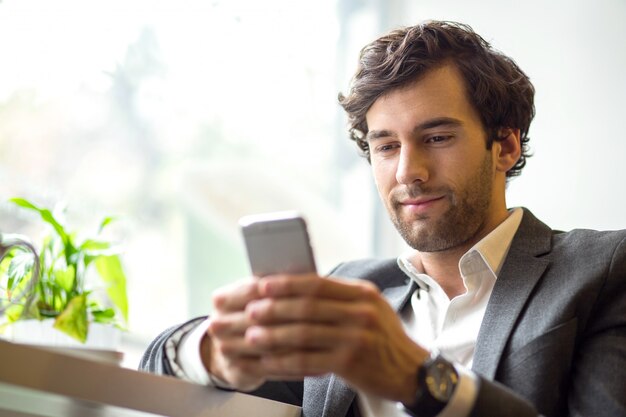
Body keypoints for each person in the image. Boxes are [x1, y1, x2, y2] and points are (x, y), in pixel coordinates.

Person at [140, 21, 626, 417]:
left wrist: (422, 381)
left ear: (505, 145)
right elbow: (154, 367)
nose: (408, 172)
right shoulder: (353, 287)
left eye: (437, 138)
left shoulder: (603, 270)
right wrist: (212, 353)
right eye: (386, 146)